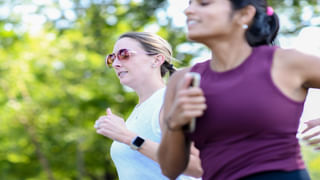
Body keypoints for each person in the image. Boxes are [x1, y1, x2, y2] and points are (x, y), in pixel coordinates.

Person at [157, 0, 320, 180]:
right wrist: (175, 123)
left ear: (244, 14)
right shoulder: (182, 81)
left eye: (204, 3)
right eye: (190, 4)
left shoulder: (285, 63)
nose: (188, 11)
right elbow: (169, 170)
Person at [94, 32, 203, 180]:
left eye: (124, 54)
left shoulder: (169, 102)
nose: (115, 64)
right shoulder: (139, 110)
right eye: (112, 58)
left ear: (157, 60)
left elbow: (200, 166)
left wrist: (128, 137)